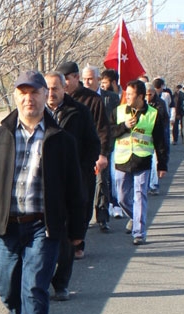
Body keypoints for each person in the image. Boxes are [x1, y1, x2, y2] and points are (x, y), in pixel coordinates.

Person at [0, 70, 85, 314]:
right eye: (22, 93)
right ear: (15, 97)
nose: (29, 98)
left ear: (44, 96)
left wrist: (77, 232)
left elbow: (76, 189)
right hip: (6, 228)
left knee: (35, 289)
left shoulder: (61, 139)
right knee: (9, 292)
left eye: (34, 92)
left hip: (43, 227)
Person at [44, 71, 99, 302]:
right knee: (44, 236)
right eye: (46, 89)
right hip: (45, 185)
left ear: (64, 88)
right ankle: (40, 280)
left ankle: (62, 283)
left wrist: (80, 171)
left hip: (70, 184)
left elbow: (93, 145)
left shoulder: (79, 113)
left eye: (55, 88)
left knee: (66, 237)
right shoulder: (37, 115)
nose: (51, 93)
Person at [56, 61, 110, 259]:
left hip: (83, 162)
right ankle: (64, 242)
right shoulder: (54, 101)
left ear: (75, 78)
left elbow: (102, 129)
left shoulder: (92, 101)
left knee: (83, 201)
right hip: (61, 164)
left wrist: (102, 154)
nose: (64, 85)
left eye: (66, 80)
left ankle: (79, 241)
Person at [111, 80, 168, 245]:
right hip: (122, 160)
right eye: (126, 94)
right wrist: (123, 126)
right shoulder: (119, 111)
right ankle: (135, 218)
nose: (127, 97)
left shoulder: (153, 114)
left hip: (142, 160)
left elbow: (160, 141)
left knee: (140, 196)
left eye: (130, 94)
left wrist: (162, 165)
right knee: (121, 197)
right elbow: (108, 131)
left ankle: (139, 232)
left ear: (141, 96)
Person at [82, 65, 118, 233]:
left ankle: (102, 216)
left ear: (98, 79)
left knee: (102, 180)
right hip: (84, 147)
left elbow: (112, 123)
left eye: (91, 79)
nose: (87, 82)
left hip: (103, 146)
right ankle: (84, 216)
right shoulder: (78, 98)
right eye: (85, 79)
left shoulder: (110, 98)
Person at [100, 69, 124, 219]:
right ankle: (109, 203)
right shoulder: (101, 98)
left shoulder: (122, 97)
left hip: (122, 143)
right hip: (107, 142)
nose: (102, 85)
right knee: (106, 176)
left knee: (117, 177)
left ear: (113, 82)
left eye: (105, 83)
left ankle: (118, 203)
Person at [145, 83, 170, 196]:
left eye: (150, 94)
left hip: (156, 135)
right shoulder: (141, 103)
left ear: (154, 93)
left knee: (155, 161)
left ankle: (154, 185)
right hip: (143, 137)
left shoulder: (160, 103)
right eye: (146, 95)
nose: (148, 97)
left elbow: (162, 119)